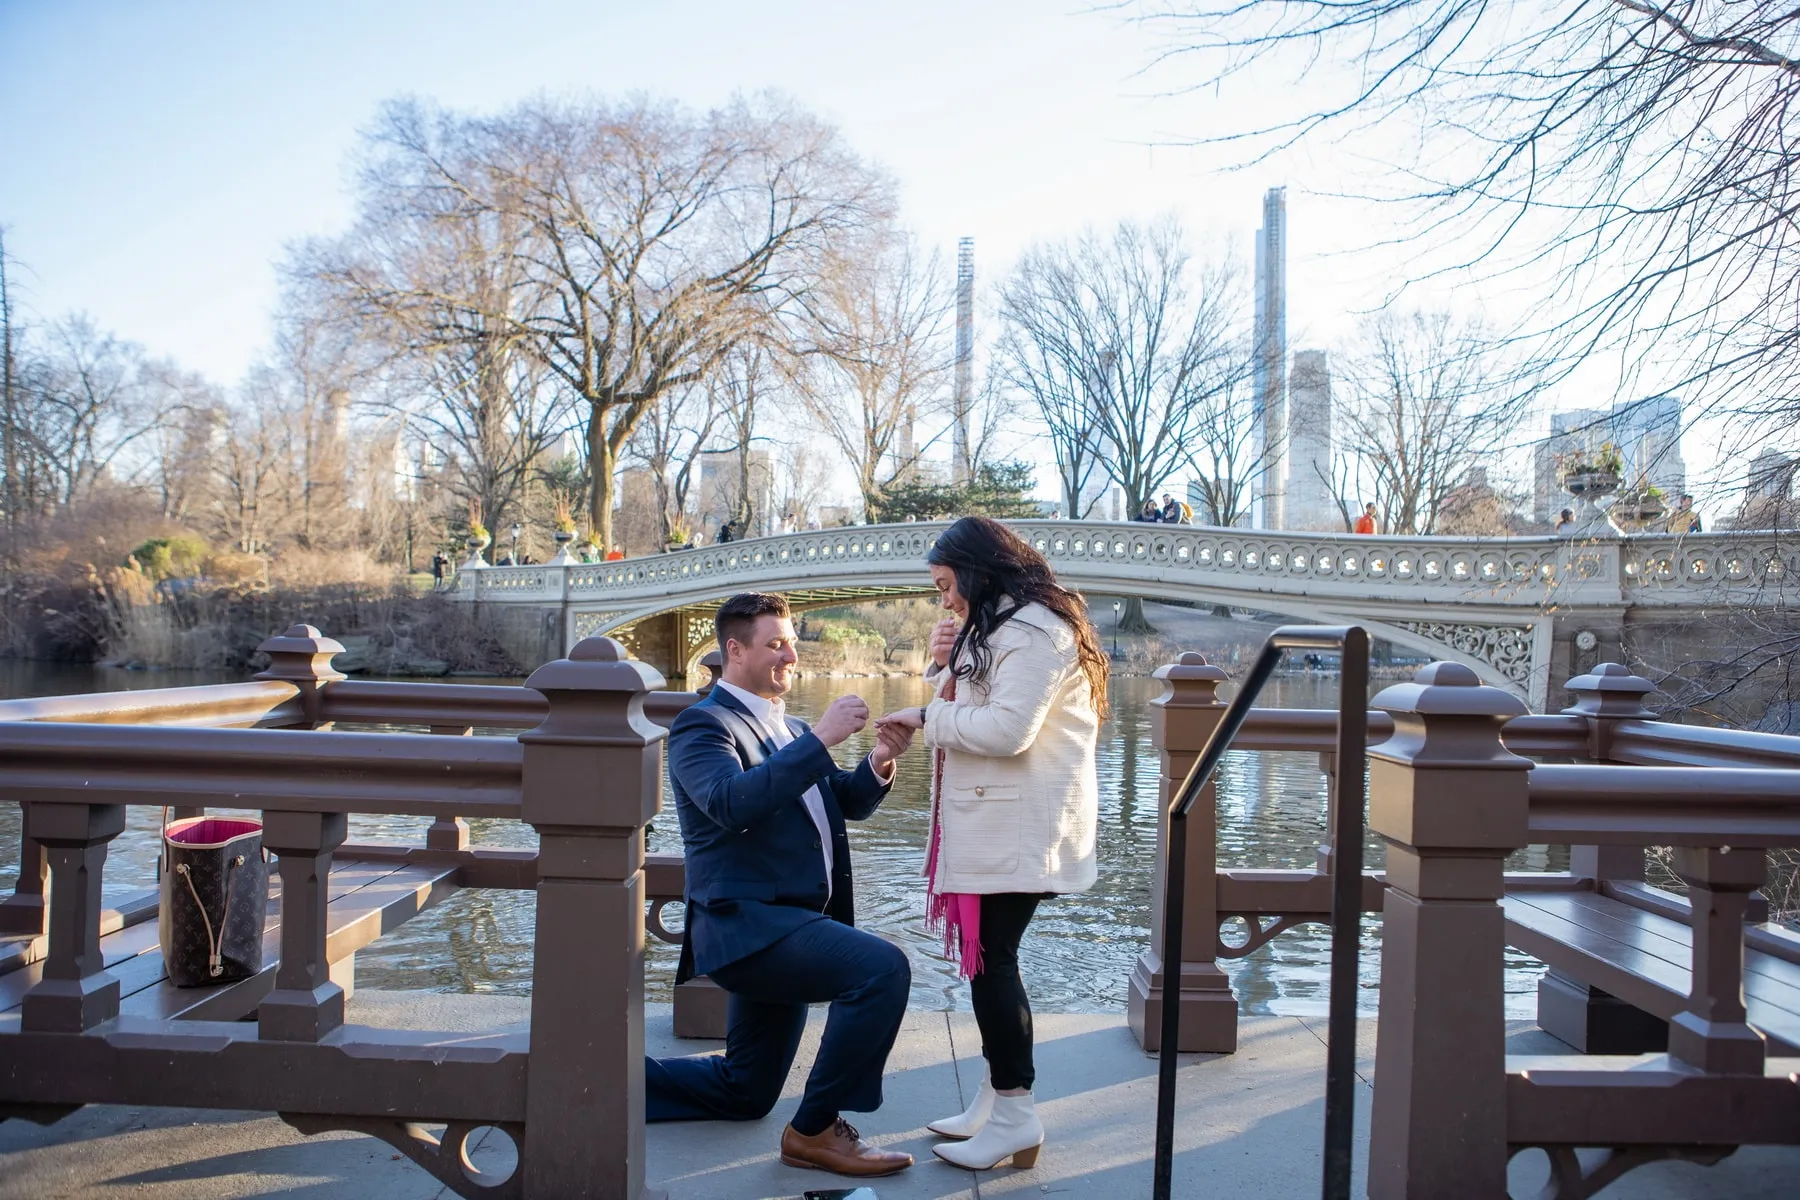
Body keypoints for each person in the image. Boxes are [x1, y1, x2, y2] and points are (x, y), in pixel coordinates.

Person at [645, 592, 918, 1179]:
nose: (790, 653)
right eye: (775, 643)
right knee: (881, 970)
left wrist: (879, 761)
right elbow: (730, 804)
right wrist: (818, 741)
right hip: (747, 930)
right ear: (734, 649)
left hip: (790, 924)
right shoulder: (701, 725)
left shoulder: (789, 725)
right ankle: (815, 1129)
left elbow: (842, 803)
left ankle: (600, 1080)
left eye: (791, 640)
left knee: (745, 1092)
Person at [877, 516, 1107, 1173]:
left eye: (947, 585)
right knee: (989, 963)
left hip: (1020, 826)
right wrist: (941, 664)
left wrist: (926, 714)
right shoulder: (1005, 625)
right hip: (1001, 820)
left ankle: (1015, 1110)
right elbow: (971, 705)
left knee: (993, 962)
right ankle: (996, 1098)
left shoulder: (1035, 631)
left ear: (979, 571)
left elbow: (1007, 730)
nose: (944, 599)